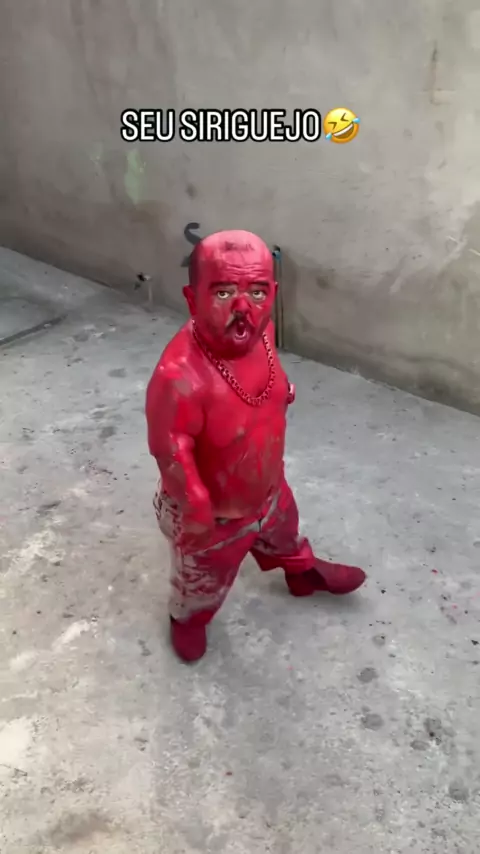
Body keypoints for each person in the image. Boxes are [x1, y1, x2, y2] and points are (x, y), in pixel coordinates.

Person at [145, 230, 366, 662]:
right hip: (213, 511)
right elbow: (168, 446)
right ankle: (188, 618)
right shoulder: (179, 375)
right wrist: (194, 503)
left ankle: (301, 573)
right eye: (223, 292)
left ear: (273, 293)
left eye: (258, 292)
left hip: (268, 487)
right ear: (192, 300)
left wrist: (282, 391)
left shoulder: (260, 333)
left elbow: (265, 380)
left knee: (285, 534)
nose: (244, 308)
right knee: (202, 579)